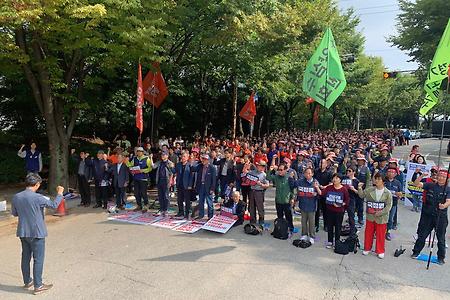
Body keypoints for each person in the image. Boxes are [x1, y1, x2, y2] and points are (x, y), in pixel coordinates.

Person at [11, 173, 64, 295]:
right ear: (36, 184)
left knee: (25, 257)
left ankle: (27, 281)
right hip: (37, 232)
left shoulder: (16, 197)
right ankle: (38, 285)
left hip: (23, 232)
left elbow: (14, 213)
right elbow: (54, 205)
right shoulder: (38, 197)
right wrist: (60, 193)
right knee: (38, 259)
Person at [411, 169, 450, 265]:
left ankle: (441, 257)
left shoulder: (448, 189)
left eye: (444, 177)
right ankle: (416, 252)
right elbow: (416, 184)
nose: (441, 178)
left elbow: (448, 201)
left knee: (441, 238)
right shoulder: (430, 185)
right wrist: (421, 176)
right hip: (427, 215)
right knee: (422, 235)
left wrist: (444, 206)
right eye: (440, 176)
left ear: (447, 179)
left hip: (440, 217)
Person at [358, 172, 392, 259]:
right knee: (368, 232)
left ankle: (380, 250)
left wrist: (380, 212)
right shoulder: (370, 190)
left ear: (383, 181)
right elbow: (361, 195)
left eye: (379, 179)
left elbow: (388, 206)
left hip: (381, 217)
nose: (376, 180)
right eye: (376, 178)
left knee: (380, 234)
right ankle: (367, 248)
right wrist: (359, 188)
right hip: (370, 216)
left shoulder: (387, 193)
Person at [289, 167, 322, 243]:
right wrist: (291, 177)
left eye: (309, 173)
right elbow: (293, 185)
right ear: (304, 174)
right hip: (303, 205)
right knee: (303, 221)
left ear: (312, 174)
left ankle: (312, 236)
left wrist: (316, 191)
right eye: (306, 173)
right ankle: (304, 234)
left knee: (311, 222)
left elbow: (320, 193)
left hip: (311, 206)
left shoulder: (315, 182)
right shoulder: (300, 181)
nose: (308, 175)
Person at [322, 173, 349, 249]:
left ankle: (337, 241)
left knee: (338, 227)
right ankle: (330, 241)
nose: (335, 179)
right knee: (330, 226)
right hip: (330, 210)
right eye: (334, 178)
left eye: (337, 178)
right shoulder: (329, 187)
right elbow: (322, 193)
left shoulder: (344, 189)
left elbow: (347, 201)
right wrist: (317, 187)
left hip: (339, 211)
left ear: (340, 180)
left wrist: (341, 204)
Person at [267, 163, 294, 233]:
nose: (280, 171)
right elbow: (268, 177)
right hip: (278, 200)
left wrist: (292, 198)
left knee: (288, 216)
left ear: (285, 170)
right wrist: (270, 170)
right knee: (280, 216)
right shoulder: (276, 177)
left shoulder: (289, 177)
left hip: (286, 201)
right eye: (279, 170)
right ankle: (281, 228)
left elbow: (293, 189)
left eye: (281, 170)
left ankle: (290, 227)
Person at [126, 147, 152, 212]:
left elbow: (150, 168)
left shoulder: (146, 158)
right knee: (136, 193)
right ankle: (139, 205)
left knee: (143, 193)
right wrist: (126, 161)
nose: (139, 152)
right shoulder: (134, 158)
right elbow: (130, 165)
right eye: (137, 151)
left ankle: (146, 205)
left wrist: (142, 170)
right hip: (136, 178)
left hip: (144, 178)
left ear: (143, 152)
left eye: (140, 151)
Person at [194, 153, 217, 219]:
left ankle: (210, 216)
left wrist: (212, 189)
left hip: (208, 187)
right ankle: (201, 215)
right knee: (201, 201)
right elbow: (193, 169)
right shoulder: (200, 166)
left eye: (205, 159)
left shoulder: (212, 168)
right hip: (201, 186)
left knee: (209, 202)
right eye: (202, 159)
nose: (203, 160)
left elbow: (214, 180)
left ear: (208, 160)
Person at [153, 151, 175, 216]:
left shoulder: (170, 163)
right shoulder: (159, 162)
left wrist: (170, 181)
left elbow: (172, 173)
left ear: (167, 156)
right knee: (160, 196)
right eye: (162, 155)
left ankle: (166, 209)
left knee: (166, 196)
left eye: (164, 155)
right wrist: (151, 158)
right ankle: (161, 209)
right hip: (159, 180)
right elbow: (153, 166)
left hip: (166, 181)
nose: (163, 156)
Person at [248, 161, 270, 225]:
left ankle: (261, 220)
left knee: (260, 207)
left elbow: (267, 185)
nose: (258, 166)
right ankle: (252, 220)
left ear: (263, 167)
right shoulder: (253, 172)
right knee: (252, 207)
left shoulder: (264, 175)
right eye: (257, 165)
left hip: (259, 192)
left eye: (259, 165)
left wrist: (261, 184)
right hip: (252, 191)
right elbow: (246, 174)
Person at [384, 167, 402, 241]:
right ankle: (379, 231)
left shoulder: (398, 183)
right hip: (383, 203)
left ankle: (388, 232)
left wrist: (398, 195)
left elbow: (400, 194)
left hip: (393, 203)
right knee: (382, 218)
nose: (391, 173)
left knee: (390, 219)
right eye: (389, 172)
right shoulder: (383, 181)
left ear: (395, 174)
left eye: (392, 172)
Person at [175, 151, 195, 218]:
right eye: (182, 156)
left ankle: (187, 213)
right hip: (179, 184)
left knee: (187, 200)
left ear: (187, 157)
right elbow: (174, 171)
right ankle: (181, 212)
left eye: (184, 156)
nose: (183, 158)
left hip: (187, 185)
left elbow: (191, 176)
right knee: (179, 200)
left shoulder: (190, 165)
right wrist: (171, 166)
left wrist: (190, 185)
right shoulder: (178, 164)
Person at [342, 166, 360, 235]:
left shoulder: (356, 181)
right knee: (340, 215)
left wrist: (354, 189)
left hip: (351, 199)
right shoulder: (344, 178)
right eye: (347, 171)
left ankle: (352, 232)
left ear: (354, 172)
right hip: (343, 199)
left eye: (349, 171)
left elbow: (359, 193)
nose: (348, 172)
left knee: (351, 216)